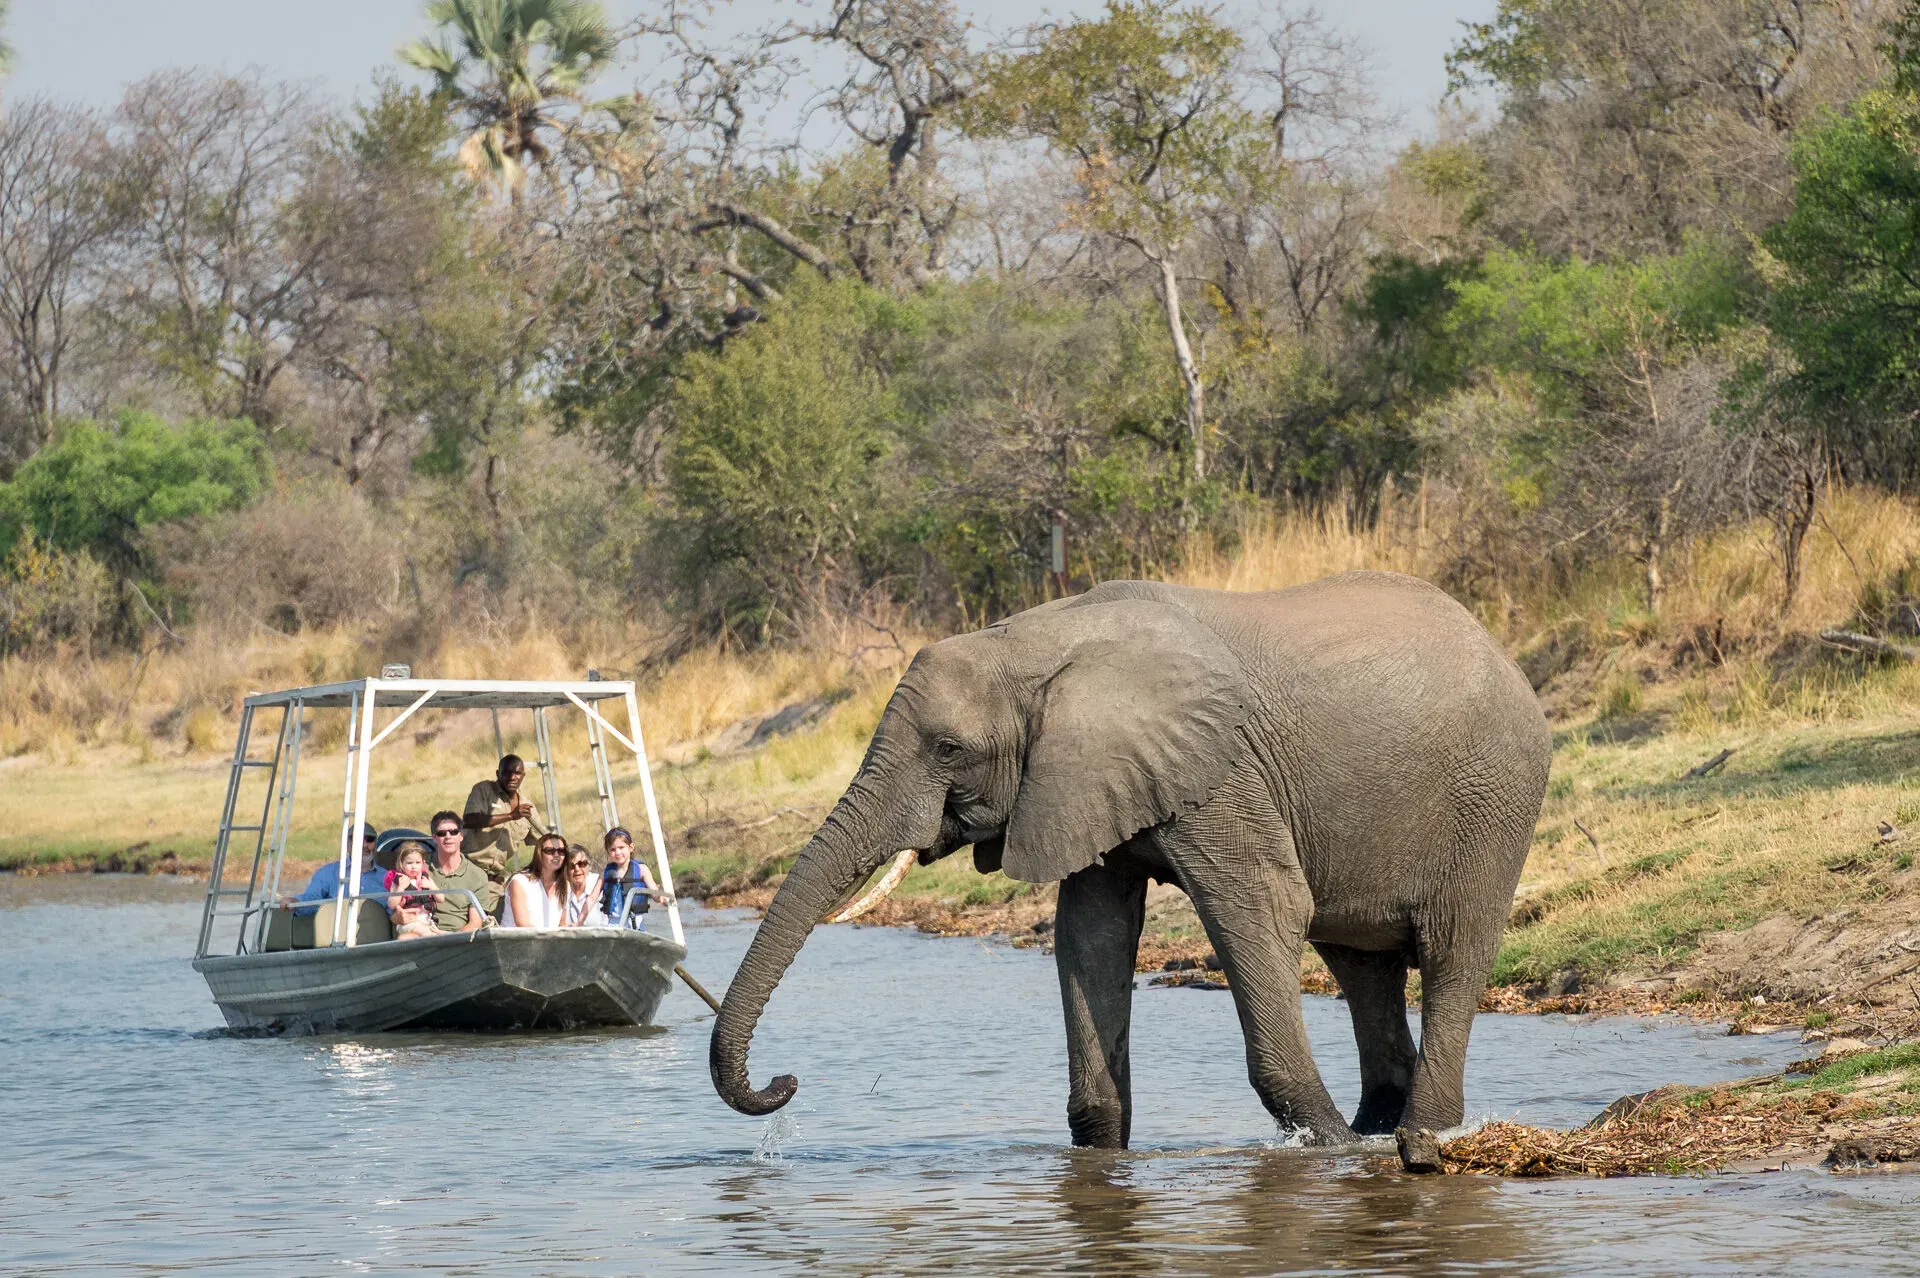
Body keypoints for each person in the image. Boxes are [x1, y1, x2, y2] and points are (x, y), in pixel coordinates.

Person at [461, 754, 547, 898]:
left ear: (523, 776)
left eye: (517, 773)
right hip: (467, 871)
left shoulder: (526, 807)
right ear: (498, 774)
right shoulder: (484, 790)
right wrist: (511, 816)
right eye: (507, 772)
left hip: (494, 879)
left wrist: (533, 872)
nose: (512, 777)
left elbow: (543, 841)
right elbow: (470, 819)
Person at [288, 823, 385, 917]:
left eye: (369, 839)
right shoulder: (328, 873)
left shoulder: (388, 877)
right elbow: (312, 898)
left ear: (375, 844)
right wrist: (295, 902)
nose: (364, 845)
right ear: (348, 844)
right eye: (357, 839)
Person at [425, 810, 488, 934]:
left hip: (459, 940)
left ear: (461, 835)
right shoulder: (419, 868)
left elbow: (475, 924)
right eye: (442, 833)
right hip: (423, 935)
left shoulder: (477, 876)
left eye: (453, 832)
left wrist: (448, 938)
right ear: (434, 837)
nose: (448, 837)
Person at [600, 827, 671, 930]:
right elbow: (591, 898)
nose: (618, 852)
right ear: (608, 852)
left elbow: (654, 893)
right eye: (613, 849)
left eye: (621, 847)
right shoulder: (606, 873)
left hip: (635, 924)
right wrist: (579, 922)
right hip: (613, 925)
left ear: (631, 847)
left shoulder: (641, 869)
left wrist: (662, 899)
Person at [500, 832, 567, 929]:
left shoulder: (565, 885)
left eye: (561, 851)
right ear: (539, 854)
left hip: (549, 942)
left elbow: (562, 925)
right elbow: (523, 925)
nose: (556, 855)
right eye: (550, 851)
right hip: (517, 942)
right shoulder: (519, 881)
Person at [383, 842, 441, 940]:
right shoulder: (399, 881)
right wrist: (400, 888)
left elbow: (441, 899)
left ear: (423, 863)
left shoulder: (426, 879)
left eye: (417, 863)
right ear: (401, 863)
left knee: (403, 939)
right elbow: (391, 904)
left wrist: (431, 886)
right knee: (426, 933)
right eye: (409, 863)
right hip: (408, 922)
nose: (413, 866)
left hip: (426, 920)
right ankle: (444, 935)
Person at [560, 844, 608, 927]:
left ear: (588, 865)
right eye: (571, 866)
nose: (577, 869)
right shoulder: (560, 890)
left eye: (582, 864)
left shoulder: (600, 884)